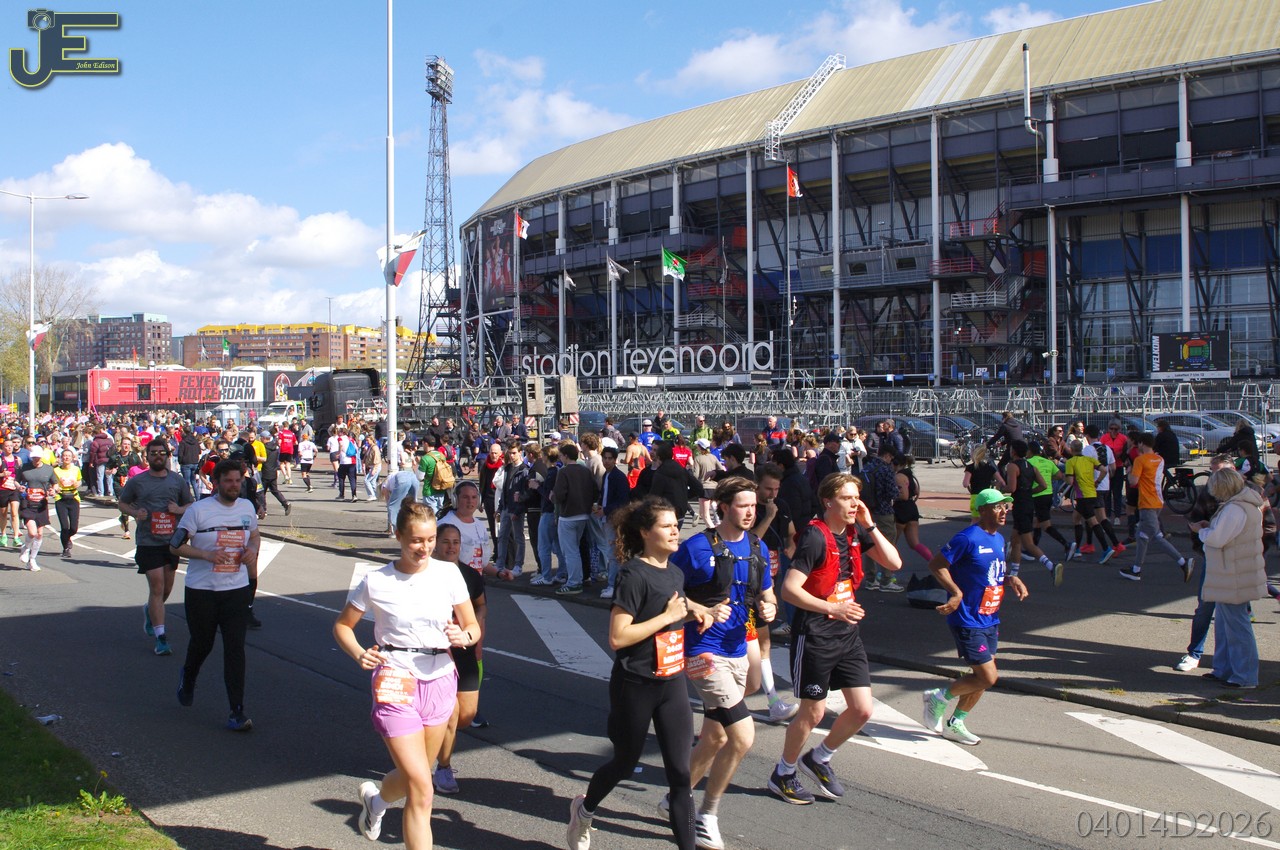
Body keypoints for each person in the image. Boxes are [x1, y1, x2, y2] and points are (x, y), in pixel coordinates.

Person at [566, 497, 715, 850]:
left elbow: (673, 606)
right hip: (636, 683)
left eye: (676, 524)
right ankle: (584, 811)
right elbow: (618, 637)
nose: (675, 531)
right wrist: (667, 617)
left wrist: (697, 612)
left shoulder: (674, 572)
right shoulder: (633, 575)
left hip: (672, 682)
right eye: (666, 526)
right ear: (646, 533)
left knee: (680, 775)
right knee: (624, 762)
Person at [333, 502, 480, 849]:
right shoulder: (376, 581)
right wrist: (359, 653)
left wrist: (464, 636)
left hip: (440, 679)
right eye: (416, 540)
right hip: (395, 678)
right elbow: (342, 626)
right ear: (398, 536)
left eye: (430, 540)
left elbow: (472, 626)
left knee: (419, 777)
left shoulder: (448, 574)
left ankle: (376, 802)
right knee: (423, 789)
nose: (424, 548)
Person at [767, 473, 902, 805]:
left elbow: (894, 562)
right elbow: (789, 590)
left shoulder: (856, 531)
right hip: (815, 635)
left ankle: (820, 757)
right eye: (847, 498)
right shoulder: (815, 537)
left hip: (847, 635)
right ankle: (783, 773)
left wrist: (870, 525)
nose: (854, 504)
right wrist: (833, 607)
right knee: (812, 713)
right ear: (828, 501)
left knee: (862, 710)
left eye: (857, 497)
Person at [669, 476, 778, 849]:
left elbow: (767, 594)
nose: (750, 512)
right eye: (743, 506)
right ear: (724, 507)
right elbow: (667, 595)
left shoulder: (757, 546)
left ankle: (675, 799)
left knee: (715, 736)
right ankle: (707, 815)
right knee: (742, 735)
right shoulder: (697, 548)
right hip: (702, 652)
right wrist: (700, 610)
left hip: (737, 650)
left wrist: (769, 608)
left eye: (753, 506)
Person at [922, 489, 1029, 745]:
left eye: (1005, 506)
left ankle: (956, 723)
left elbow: (988, 574)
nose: (1003, 511)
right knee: (988, 677)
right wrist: (955, 592)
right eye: (997, 506)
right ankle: (938, 697)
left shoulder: (998, 538)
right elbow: (936, 565)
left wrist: (1010, 579)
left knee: (982, 677)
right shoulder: (967, 538)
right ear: (982, 510)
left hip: (990, 617)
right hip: (967, 619)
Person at [170, 458, 260, 731]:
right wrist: (206, 555)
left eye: (238, 481)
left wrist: (251, 551)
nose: (234, 486)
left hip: (235, 589)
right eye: (228, 481)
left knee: (235, 650)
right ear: (216, 483)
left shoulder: (247, 507)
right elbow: (175, 546)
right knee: (202, 644)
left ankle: (237, 711)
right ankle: (189, 676)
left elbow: (254, 536)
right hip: (202, 590)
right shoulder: (198, 511)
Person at [1190, 467, 1267, 690]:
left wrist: (1200, 531)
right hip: (1234, 572)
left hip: (1232, 575)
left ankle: (1244, 676)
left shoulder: (1234, 508)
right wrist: (1210, 528)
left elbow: (1217, 539)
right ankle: (1224, 669)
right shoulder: (1243, 505)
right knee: (1226, 625)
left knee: (1236, 626)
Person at [118, 438, 195, 656]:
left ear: (167, 456)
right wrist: (136, 513)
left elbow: (190, 503)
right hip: (148, 541)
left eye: (162, 453)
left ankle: (149, 610)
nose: (158, 456)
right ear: (147, 456)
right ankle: (161, 638)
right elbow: (122, 503)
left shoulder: (177, 480)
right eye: (153, 453)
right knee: (157, 586)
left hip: (171, 542)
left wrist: (178, 510)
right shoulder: (138, 481)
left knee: (167, 589)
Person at [430, 522, 488, 795]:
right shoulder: (425, 573)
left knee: (466, 715)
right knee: (450, 713)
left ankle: (435, 745)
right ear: (435, 544)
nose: (451, 547)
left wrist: (474, 630)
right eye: (446, 541)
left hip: (464, 649)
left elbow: (481, 605)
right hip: (436, 652)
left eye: (455, 542)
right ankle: (443, 766)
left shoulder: (468, 575)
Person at [1174, 454, 1235, 672]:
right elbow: (1194, 521)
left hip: (1237, 561)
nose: (1214, 477)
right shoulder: (1208, 493)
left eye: (1219, 472)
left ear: (1231, 471)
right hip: (1213, 557)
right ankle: (1194, 653)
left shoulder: (1244, 495)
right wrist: (1203, 540)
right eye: (1212, 472)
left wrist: (1256, 553)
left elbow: (1264, 527)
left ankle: (1231, 661)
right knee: (1205, 607)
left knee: (1234, 613)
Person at [1120, 433, 1193, 582]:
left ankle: (1183, 562)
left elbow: (1133, 481)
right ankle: (1136, 569)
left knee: (1156, 537)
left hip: (1147, 502)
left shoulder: (1140, 460)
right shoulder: (1159, 459)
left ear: (1141, 444)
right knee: (1142, 536)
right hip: (1158, 500)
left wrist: (1129, 471)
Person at [1001, 440, 1064, 586]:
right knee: (1015, 539)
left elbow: (1012, 488)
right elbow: (1043, 485)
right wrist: (1029, 492)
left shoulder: (1012, 466)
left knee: (1028, 543)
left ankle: (1051, 566)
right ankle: (1014, 574)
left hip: (1020, 505)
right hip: (1029, 504)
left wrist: (1001, 487)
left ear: (1013, 451)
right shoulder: (1031, 466)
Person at [1063, 440, 1121, 564]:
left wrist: (1064, 476)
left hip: (1083, 495)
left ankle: (1106, 548)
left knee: (1093, 521)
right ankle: (1077, 549)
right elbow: (1104, 470)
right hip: (1092, 492)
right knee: (1076, 517)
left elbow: (1069, 481)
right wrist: (1098, 481)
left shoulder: (1071, 462)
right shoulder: (1089, 460)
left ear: (1071, 450)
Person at [554, 442, 597, 595]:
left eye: (561, 456)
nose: (560, 458)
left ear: (566, 456)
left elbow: (559, 495)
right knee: (576, 549)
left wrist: (553, 496)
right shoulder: (585, 470)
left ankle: (573, 582)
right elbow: (595, 491)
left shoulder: (563, 472)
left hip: (568, 516)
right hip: (584, 514)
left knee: (570, 551)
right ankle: (578, 579)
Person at [439, 480, 494, 577]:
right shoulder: (445, 525)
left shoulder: (480, 526)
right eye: (465, 497)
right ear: (455, 499)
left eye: (474, 497)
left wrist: (499, 573)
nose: (470, 501)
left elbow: (482, 563)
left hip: (476, 582)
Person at [16, 447, 56, 572]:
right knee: (32, 532)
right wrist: (19, 487)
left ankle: (32, 560)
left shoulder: (48, 469)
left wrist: (53, 490)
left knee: (39, 534)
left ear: (41, 456)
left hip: (41, 504)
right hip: (27, 503)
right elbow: (16, 481)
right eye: (33, 457)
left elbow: (54, 483)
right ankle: (26, 548)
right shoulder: (24, 468)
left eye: (37, 457)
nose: (35, 459)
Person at [493, 445, 530, 579]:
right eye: (510, 453)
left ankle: (518, 565)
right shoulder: (508, 468)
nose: (511, 455)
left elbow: (525, 492)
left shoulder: (524, 470)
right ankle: (500, 564)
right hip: (506, 507)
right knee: (502, 536)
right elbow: (505, 489)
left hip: (516, 509)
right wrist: (499, 507)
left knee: (518, 537)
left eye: (514, 453)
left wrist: (518, 510)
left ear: (520, 453)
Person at [891, 454, 934, 566]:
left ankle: (889, 572)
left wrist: (891, 496)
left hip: (901, 509)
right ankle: (934, 562)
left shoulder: (898, 477)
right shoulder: (909, 474)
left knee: (891, 544)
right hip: (912, 508)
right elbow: (916, 491)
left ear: (896, 464)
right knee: (915, 543)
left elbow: (904, 496)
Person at [51, 448, 83, 559]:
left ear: (72, 458)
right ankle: (66, 548)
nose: (66, 458)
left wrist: (77, 484)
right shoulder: (56, 470)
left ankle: (67, 537)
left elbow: (79, 480)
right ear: (61, 457)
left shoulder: (76, 469)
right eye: (64, 456)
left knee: (73, 528)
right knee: (64, 527)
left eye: (68, 456)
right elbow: (53, 483)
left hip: (74, 498)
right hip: (61, 499)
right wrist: (56, 488)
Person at [381, 453, 419, 536]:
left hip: (402, 479)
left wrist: (390, 511)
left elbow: (389, 501)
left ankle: (395, 531)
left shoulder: (384, 485)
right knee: (412, 505)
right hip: (413, 476)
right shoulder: (391, 477)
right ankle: (414, 528)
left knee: (392, 506)